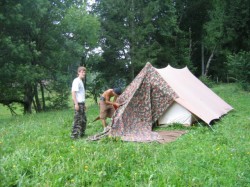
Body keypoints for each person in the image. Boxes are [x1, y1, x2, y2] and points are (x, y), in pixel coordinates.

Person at [71, 66, 87, 139]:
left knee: (83, 120)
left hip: (82, 104)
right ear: (78, 72)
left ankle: (82, 134)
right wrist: (76, 104)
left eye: (84, 72)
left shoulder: (81, 81)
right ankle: (74, 136)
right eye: (82, 72)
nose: (84, 73)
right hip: (78, 104)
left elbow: (81, 94)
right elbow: (73, 92)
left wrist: (84, 104)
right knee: (78, 120)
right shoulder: (76, 81)